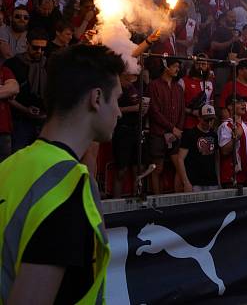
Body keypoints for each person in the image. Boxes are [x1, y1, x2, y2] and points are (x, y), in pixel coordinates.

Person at [0, 44, 124, 304]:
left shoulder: (10, 166)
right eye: (117, 100)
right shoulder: (67, 189)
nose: (119, 112)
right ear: (97, 98)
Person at [147, 57, 185, 195]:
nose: (177, 69)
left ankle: (177, 196)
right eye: (174, 66)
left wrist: (178, 129)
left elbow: (182, 111)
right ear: (166, 66)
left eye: (178, 67)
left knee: (178, 166)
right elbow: (154, 112)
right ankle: (157, 198)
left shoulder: (178, 88)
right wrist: (172, 128)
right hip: (158, 133)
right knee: (158, 168)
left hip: (175, 133)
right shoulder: (153, 85)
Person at [6, 29, 48, 152]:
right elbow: (7, 95)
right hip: (20, 121)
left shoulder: (48, 64)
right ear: (27, 44)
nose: (39, 51)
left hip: (43, 120)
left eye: (42, 48)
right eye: (35, 48)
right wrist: (25, 110)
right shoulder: (13, 64)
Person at [111, 71, 148, 198]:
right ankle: (116, 202)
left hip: (136, 130)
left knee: (138, 169)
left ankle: (136, 199)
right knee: (121, 170)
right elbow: (113, 110)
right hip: (122, 130)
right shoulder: (115, 89)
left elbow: (138, 107)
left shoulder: (135, 87)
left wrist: (142, 110)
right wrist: (133, 109)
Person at [176, 104, 220, 192]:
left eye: (211, 120)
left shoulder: (214, 135)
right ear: (199, 118)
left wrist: (218, 181)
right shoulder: (190, 134)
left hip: (212, 182)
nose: (209, 123)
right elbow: (180, 159)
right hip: (195, 183)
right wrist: (186, 182)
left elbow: (217, 159)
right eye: (206, 120)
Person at [218, 95, 247, 187]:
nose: (244, 104)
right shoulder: (225, 126)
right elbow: (224, 151)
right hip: (232, 179)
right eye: (239, 102)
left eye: (244, 102)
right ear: (230, 106)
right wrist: (237, 136)